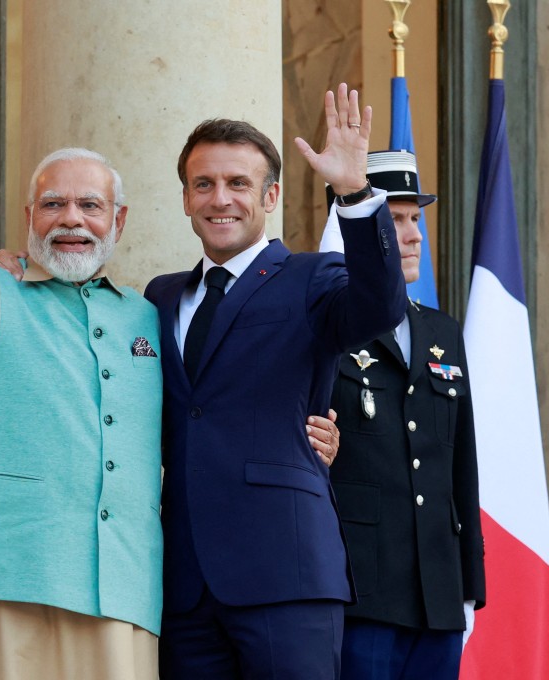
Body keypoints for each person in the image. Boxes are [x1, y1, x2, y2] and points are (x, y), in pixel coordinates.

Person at [0, 121, 341, 679]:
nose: (71, 219)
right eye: (53, 204)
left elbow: (210, 405)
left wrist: (305, 437)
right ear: (29, 215)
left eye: (90, 204)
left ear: (119, 220)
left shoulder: (147, 312)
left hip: (119, 588)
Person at [142, 84, 408, 679]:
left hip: (285, 571)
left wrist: (354, 194)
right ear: (185, 198)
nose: (221, 199)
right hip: (184, 585)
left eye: (239, 183)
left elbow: (380, 305)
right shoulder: (159, 296)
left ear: (272, 195)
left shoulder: (313, 278)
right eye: (204, 184)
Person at [319, 150, 486, 679]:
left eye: (416, 219)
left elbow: (462, 465)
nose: (414, 235)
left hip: (438, 597)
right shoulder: (324, 325)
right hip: (357, 594)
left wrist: (469, 585)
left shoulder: (443, 331)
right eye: (394, 220)